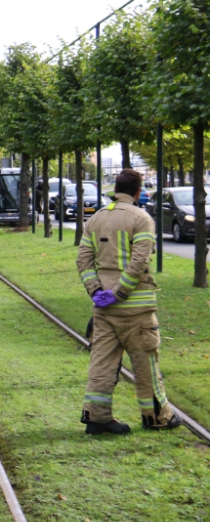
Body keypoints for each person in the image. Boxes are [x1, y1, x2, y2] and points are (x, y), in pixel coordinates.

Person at [76, 168, 181, 434]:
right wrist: (121, 292)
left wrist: (96, 290)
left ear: (116, 188)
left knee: (101, 363)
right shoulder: (141, 218)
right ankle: (157, 417)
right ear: (138, 191)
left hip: (103, 310)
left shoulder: (96, 218)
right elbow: (139, 261)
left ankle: (97, 418)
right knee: (145, 364)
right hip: (136, 309)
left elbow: (83, 261)